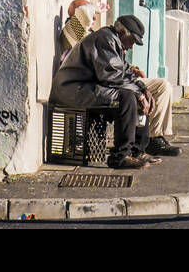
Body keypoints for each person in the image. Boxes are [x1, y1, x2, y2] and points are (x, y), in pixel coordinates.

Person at [50, 14, 180, 170]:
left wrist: (142, 88)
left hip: (88, 87)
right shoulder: (104, 39)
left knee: (137, 95)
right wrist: (139, 93)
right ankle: (120, 156)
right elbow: (111, 76)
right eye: (132, 41)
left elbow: (123, 70)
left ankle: (136, 152)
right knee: (127, 97)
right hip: (73, 89)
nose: (131, 46)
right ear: (123, 33)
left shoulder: (112, 40)